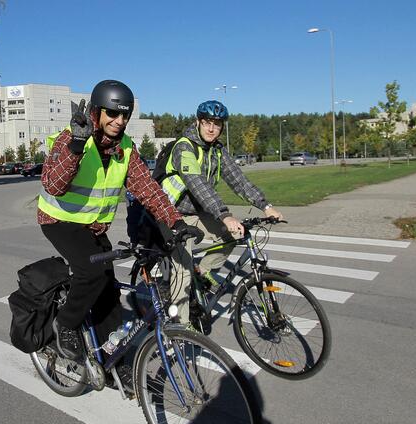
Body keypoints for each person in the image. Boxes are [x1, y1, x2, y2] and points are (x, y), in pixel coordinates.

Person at [38, 79, 198, 363]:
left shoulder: (125, 147)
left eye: (125, 115)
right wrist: (76, 147)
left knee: (109, 293)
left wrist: (174, 221)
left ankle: (114, 362)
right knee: (91, 273)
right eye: (112, 113)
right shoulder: (71, 138)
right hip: (59, 220)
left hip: (94, 227)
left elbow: (147, 188)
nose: (119, 120)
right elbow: (54, 186)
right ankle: (66, 324)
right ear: (96, 111)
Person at [159, 100, 283, 324]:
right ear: (198, 122)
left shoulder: (217, 150)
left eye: (217, 124)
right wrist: (224, 214)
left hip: (196, 214)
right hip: (171, 215)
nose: (211, 128)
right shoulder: (184, 147)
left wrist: (265, 205)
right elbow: (197, 183)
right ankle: (181, 330)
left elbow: (239, 180)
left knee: (236, 233)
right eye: (207, 122)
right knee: (182, 273)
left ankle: (203, 270)